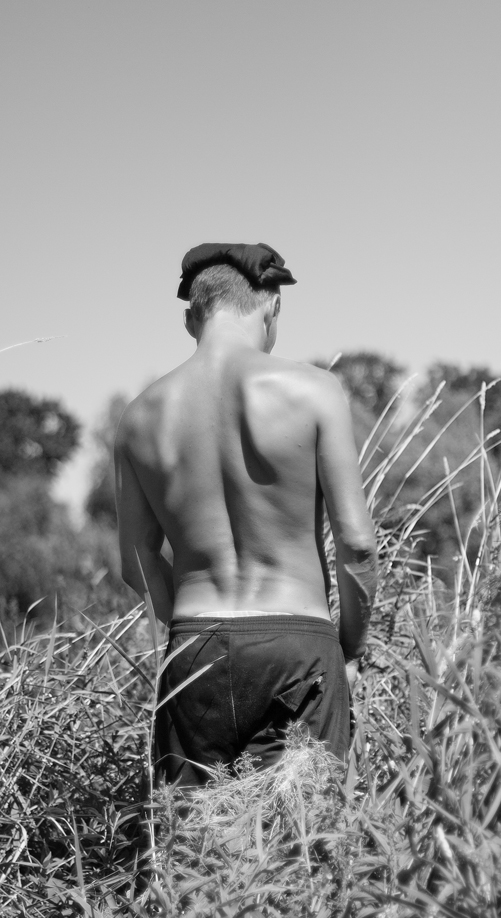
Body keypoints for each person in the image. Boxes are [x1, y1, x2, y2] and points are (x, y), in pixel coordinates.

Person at [115, 242, 378, 787]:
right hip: (298, 644)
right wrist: (350, 649)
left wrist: (193, 636)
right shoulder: (314, 391)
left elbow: (136, 560)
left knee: (196, 837)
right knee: (305, 833)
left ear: (191, 319)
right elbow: (357, 543)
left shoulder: (138, 418)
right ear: (272, 307)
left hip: (195, 645)